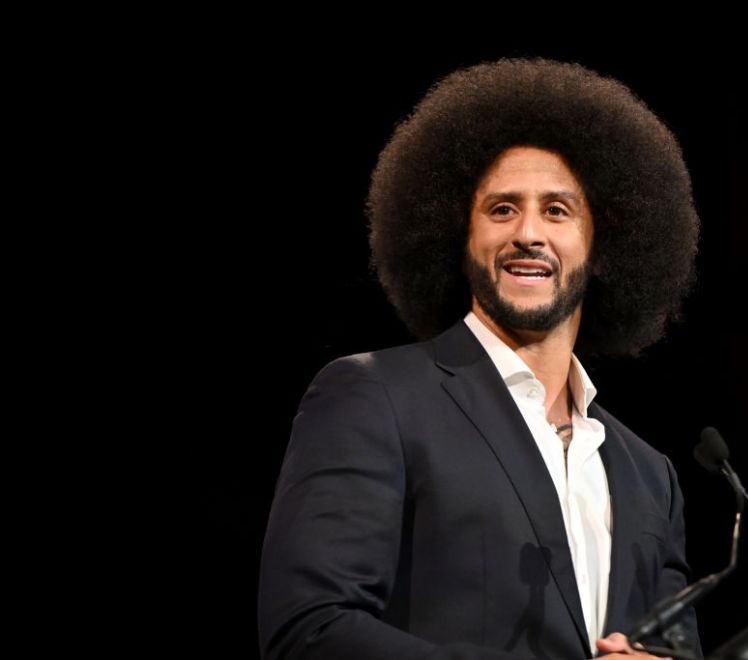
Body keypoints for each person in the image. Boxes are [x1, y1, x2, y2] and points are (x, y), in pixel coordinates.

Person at [259, 58, 702, 660]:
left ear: (602, 249)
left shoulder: (652, 476)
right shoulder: (375, 397)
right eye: (501, 209)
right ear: (460, 242)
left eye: (557, 210)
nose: (528, 233)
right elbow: (309, 631)